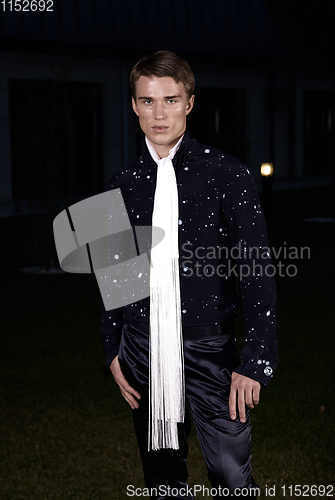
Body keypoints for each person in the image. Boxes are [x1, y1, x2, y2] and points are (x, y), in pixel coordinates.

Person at [100, 50, 278, 499]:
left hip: (211, 348)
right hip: (142, 346)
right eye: (147, 101)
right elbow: (113, 278)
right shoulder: (117, 184)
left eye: (171, 100)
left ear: (190, 103)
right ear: (133, 106)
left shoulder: (228, 175)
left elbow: (256, 272)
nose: (159, 113)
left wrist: (256, 358)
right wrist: (112, 349)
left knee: (231, 477)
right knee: (162, 480)